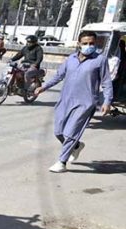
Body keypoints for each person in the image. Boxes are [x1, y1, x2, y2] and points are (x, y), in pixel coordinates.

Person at [34, 31, 112, 173]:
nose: (89, 46)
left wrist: (107, 101)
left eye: (92, 43)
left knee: (71, 133)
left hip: (86, 102)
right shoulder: (71, 59)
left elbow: (106, 82)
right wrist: (44, 87)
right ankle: (76, 147)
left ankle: (62, 162)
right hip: (66, 100)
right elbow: (58, 76)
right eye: (85, 43)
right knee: (58, 131)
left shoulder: (100, 60)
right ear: (79, 44)